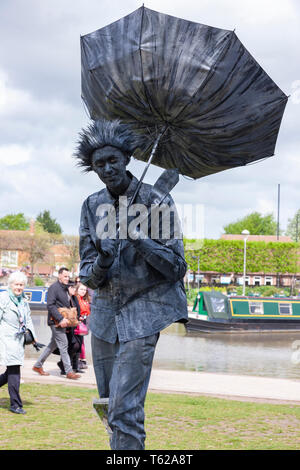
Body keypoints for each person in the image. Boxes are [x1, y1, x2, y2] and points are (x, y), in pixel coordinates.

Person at [75, 119, 188, 450]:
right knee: (109, 405)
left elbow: (177, 268)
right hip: (105, 317)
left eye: (113, 161)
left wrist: (139, 238)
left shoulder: (157, 201)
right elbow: (86, 275)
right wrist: (103, 261)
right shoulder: (91, 206)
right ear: (92, 168)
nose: (107, 169)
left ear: (127, 159)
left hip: (144, 313)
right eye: (100, 164)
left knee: (124, 410)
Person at [32, 267, 80, 380]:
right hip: (56, 322)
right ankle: (69, 371)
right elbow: (50, 305)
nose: (67, 278)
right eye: (65, 276)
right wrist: (60, 319)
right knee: (64, 344)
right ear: (59, 276)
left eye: (68, 276)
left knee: (52, 345)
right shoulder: (54, 288)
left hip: (63, 322)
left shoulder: (66, 287)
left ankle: (37, 365)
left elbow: (75, 284)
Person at [0, 271, 37, 414]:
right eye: (16, 284)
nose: (19, 287)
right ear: (10, 285)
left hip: (19, 341)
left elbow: (28, 319)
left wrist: (33, 337)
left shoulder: (23, 300)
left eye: (21, 285)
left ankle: (15, 403)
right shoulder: (3, 298)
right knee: (14, 371)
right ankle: (15, 404)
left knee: (10, 371)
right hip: (7, 339)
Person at [56, 281, 83, 375]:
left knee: (75, 346)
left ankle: (64, 364)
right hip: (64, 326)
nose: (74, 290)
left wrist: (78, 317)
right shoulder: (63, 298)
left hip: (72, 326)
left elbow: (77, 310)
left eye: (74, 288)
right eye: (71, 288)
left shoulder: (74, 298)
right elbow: (60, 310)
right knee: (67, 346)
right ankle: (65, 366)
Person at [75, 282, 91, 370]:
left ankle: (82, 360)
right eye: (81, 289)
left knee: (82, 342)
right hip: (76, 323)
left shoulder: (85, 300)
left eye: (85, 290)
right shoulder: (75, 299)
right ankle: (77, 361)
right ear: (77, 290)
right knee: (78, 343)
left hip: (83, 323)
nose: (83, 291)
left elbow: (87, 312)